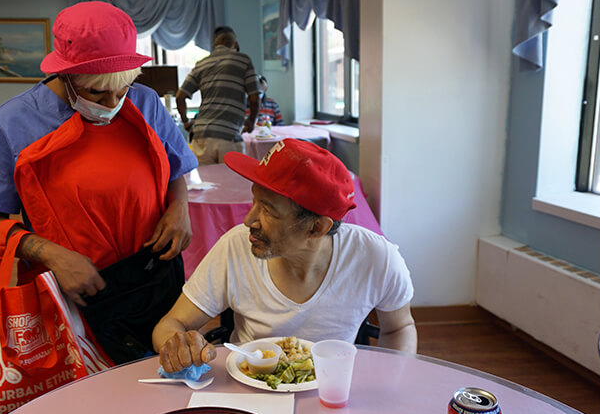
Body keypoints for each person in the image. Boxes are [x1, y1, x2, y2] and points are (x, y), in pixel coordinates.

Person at [0, 1, 198, 365]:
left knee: (161, 376)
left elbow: (175, 168)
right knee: (88, 387)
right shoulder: (12, 124)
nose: (113, 104)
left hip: (152, 276)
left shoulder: (145, 103)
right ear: (65, 76)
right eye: (96, 93)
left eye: (123, 89)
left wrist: (180, 207)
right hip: (76, 290)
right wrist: (52, 255)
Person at [153, 138, 417, 373]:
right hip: (250, 390)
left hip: (331, 391)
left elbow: (399, 328)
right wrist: (179, 345)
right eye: (254, 201)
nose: (248, 220)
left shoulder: (375, 257)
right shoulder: (234, 247)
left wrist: (391, 383)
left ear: (317, 228)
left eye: (268, 210)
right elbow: (169, 325)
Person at [176, 26, 261, 165]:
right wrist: (251, 121)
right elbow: (254, 98)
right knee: (232, 178)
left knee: (208, 179)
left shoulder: (201, 64)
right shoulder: (243, 61)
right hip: (229, 135)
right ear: (235, 44)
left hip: (201, 136)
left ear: (214, 46)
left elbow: (180, 96)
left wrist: (186, 122)